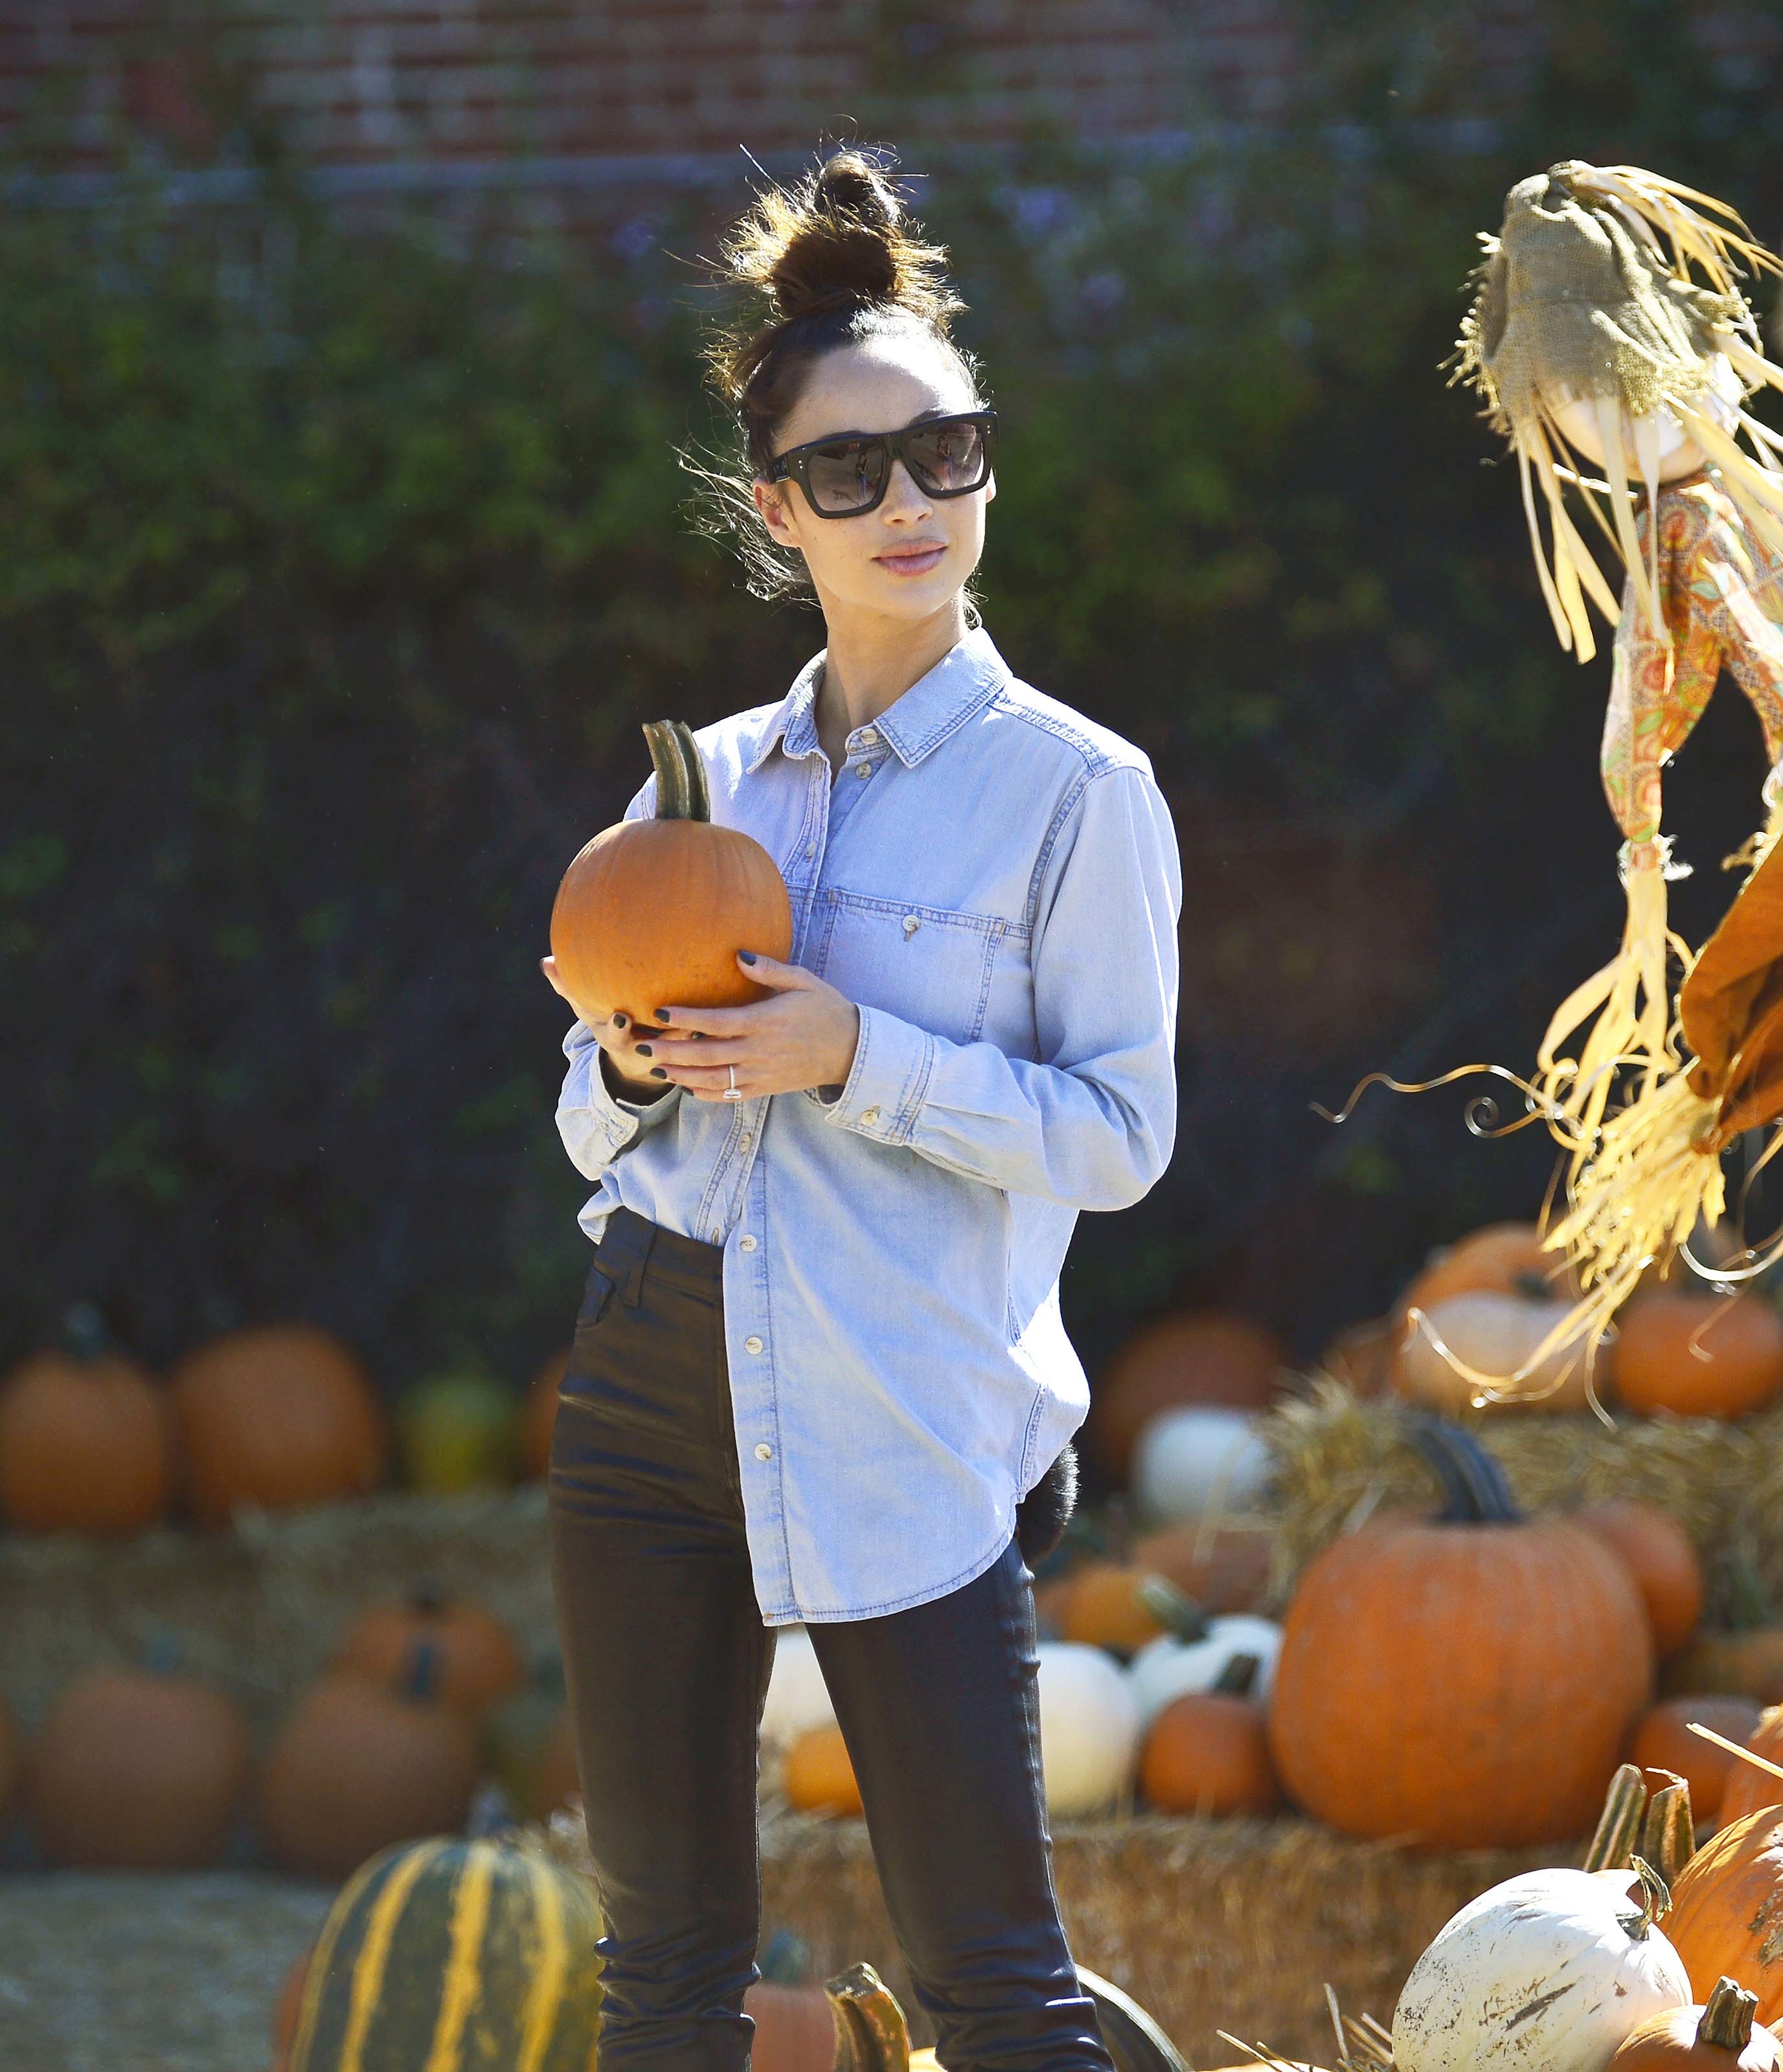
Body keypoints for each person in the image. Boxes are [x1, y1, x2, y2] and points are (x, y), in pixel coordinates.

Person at [539, 144, 1182, 2072]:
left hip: (903, 1400)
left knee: (994, 1987)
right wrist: (633, 1071)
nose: (906, 501)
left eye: (945, 452)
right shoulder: (701, 777)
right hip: (652, 1383)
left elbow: (1120, 1136)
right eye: (850, 470)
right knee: (659, 1988)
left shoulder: (1078, 791)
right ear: (777, 507)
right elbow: (587, 1105)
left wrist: (860, 1062)